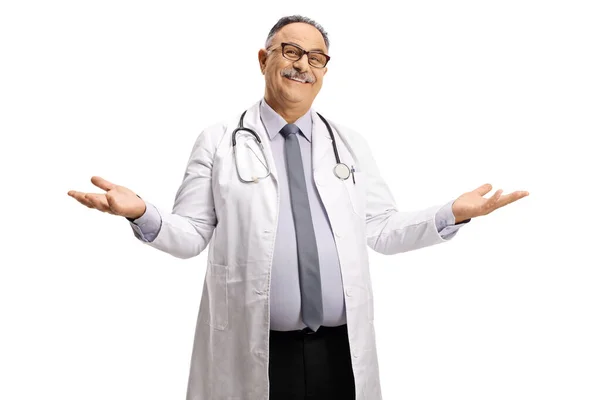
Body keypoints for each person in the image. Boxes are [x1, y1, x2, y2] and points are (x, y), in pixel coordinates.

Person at [68, 15, 529, 400]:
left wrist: (452, 212)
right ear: (263, 58)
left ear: (325, 70)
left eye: (316, 58)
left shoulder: (349, 143)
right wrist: (139, 212)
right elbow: (190, 234)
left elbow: (382, 229)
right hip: (259, 350)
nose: (302, 65)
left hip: (338, 350)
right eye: (290, 51)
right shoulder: (218, 141)